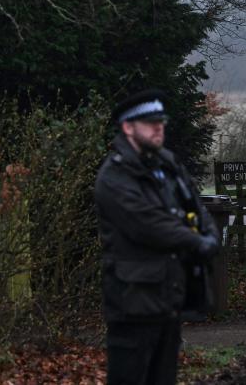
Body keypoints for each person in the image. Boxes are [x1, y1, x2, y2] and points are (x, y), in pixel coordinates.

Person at [94, 88, 220, 385]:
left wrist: (211, 235)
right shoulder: (114, 177)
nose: (159, 127)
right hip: (133, 302)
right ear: (128, 127)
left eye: (161, 121)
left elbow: (195, 205)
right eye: (151, 123)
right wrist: (197, 242)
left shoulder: (167, 164)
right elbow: (150, 224)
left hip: (169, 298)